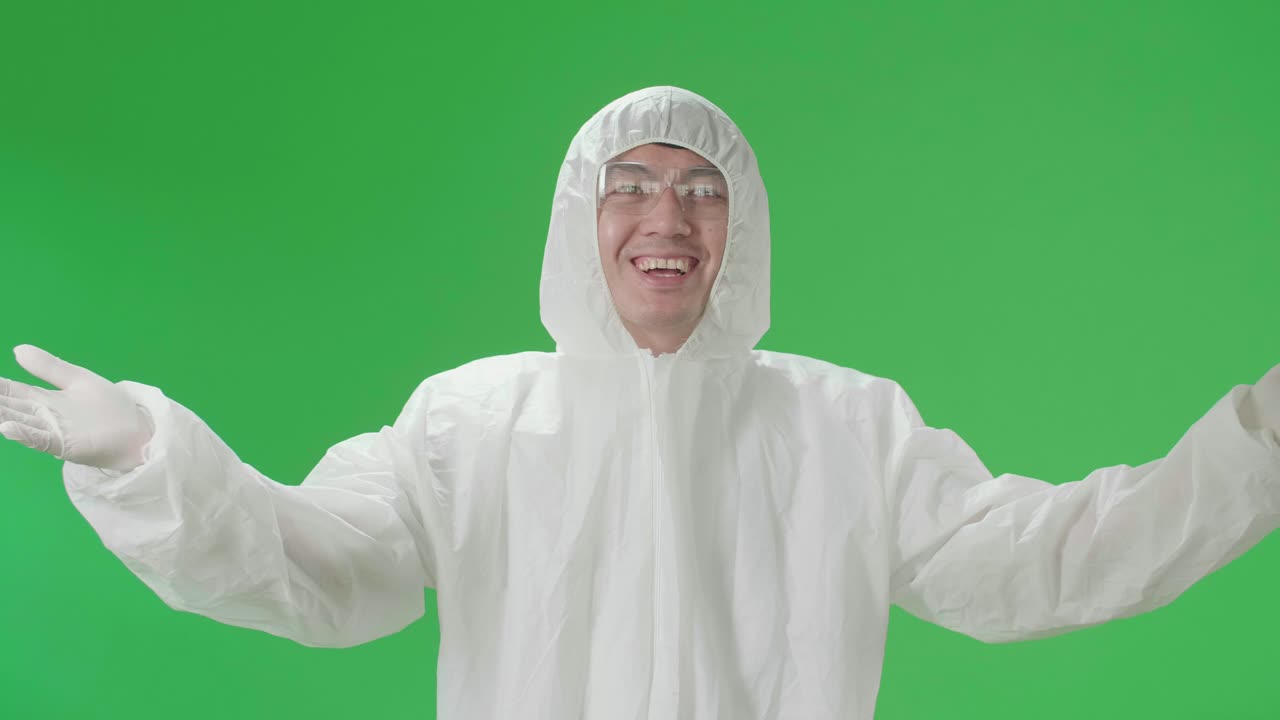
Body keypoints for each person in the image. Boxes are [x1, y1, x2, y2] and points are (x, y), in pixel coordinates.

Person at [1, 86, 1277, 720]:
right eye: (628, 185)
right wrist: (153, 461)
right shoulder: (468, 422)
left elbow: (1041, 563)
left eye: (701, 188)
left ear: (741, 224)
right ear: (579, 217)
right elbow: (326, 570)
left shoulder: (846, 427)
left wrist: (1254, 450)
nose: (666, 217)